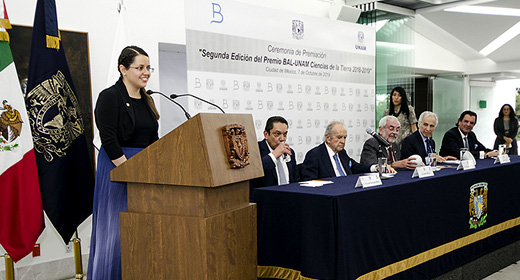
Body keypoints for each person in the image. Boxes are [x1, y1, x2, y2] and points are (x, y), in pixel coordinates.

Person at [88, 46, 160, 280]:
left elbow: (153, 140)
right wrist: (129, 170)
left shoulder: (148, 99)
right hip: (118, 169)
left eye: (148, 68)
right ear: (123, 69)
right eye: (140, 68)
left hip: (143, 172)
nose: (146, 72)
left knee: (142, 231)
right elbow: (108, 139)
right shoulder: (109, 96)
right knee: (116, 232)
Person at [301, 121, 376, 181]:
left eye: (344, 137)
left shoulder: (342, 153)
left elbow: (355, 167)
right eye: (339, 137)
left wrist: (375, 167)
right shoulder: (315, 155)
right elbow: (309, 182)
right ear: (328, 138)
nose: (343, 141)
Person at [249, 116, 299, 201]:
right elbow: (254, 173)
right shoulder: (255, 150)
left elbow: (295, 180)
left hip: (288, 201)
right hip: (265, 202)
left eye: (285, 134)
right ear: (266, 134)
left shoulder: (290, 152)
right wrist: (274, 155)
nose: (282, 139)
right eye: (277, 134)